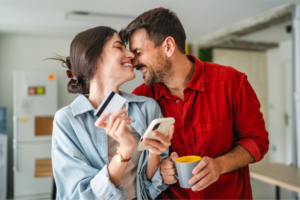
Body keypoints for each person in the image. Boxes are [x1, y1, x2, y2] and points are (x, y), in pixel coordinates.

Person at [119, 7, 269, 200]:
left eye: (138, 52)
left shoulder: (231, 82)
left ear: (168, 47)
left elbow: (258, 140)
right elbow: (138, 171)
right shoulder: (140, 99)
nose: (134, 62)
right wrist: (159, 169)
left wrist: (221, 165)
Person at [51, 26, 174, 200]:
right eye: (119, 47)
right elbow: (79, 196)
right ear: (93, 60)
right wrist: (124, 151)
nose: (131, 55)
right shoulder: (67, 120)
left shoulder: (147, 107)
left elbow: (149, 186)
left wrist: (155, 153)